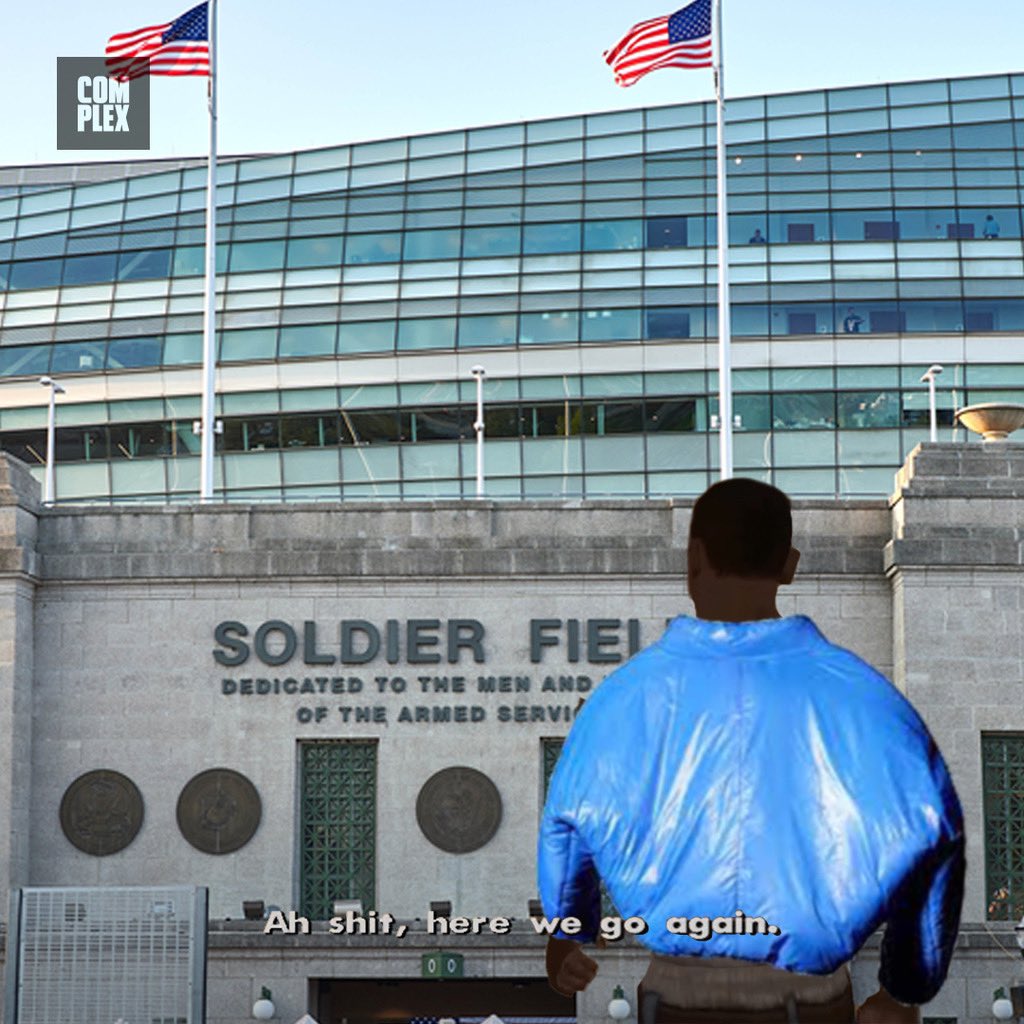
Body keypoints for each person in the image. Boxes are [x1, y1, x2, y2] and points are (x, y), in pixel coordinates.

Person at [538, 478, 964, 1024]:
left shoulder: (621, 698)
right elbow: (933, 833)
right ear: (789, 564)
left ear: (693, 563)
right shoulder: (863, 696)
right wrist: (904, 987)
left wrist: (568, 934)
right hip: (814, 1001)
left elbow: (567, 822)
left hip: (672, 999)